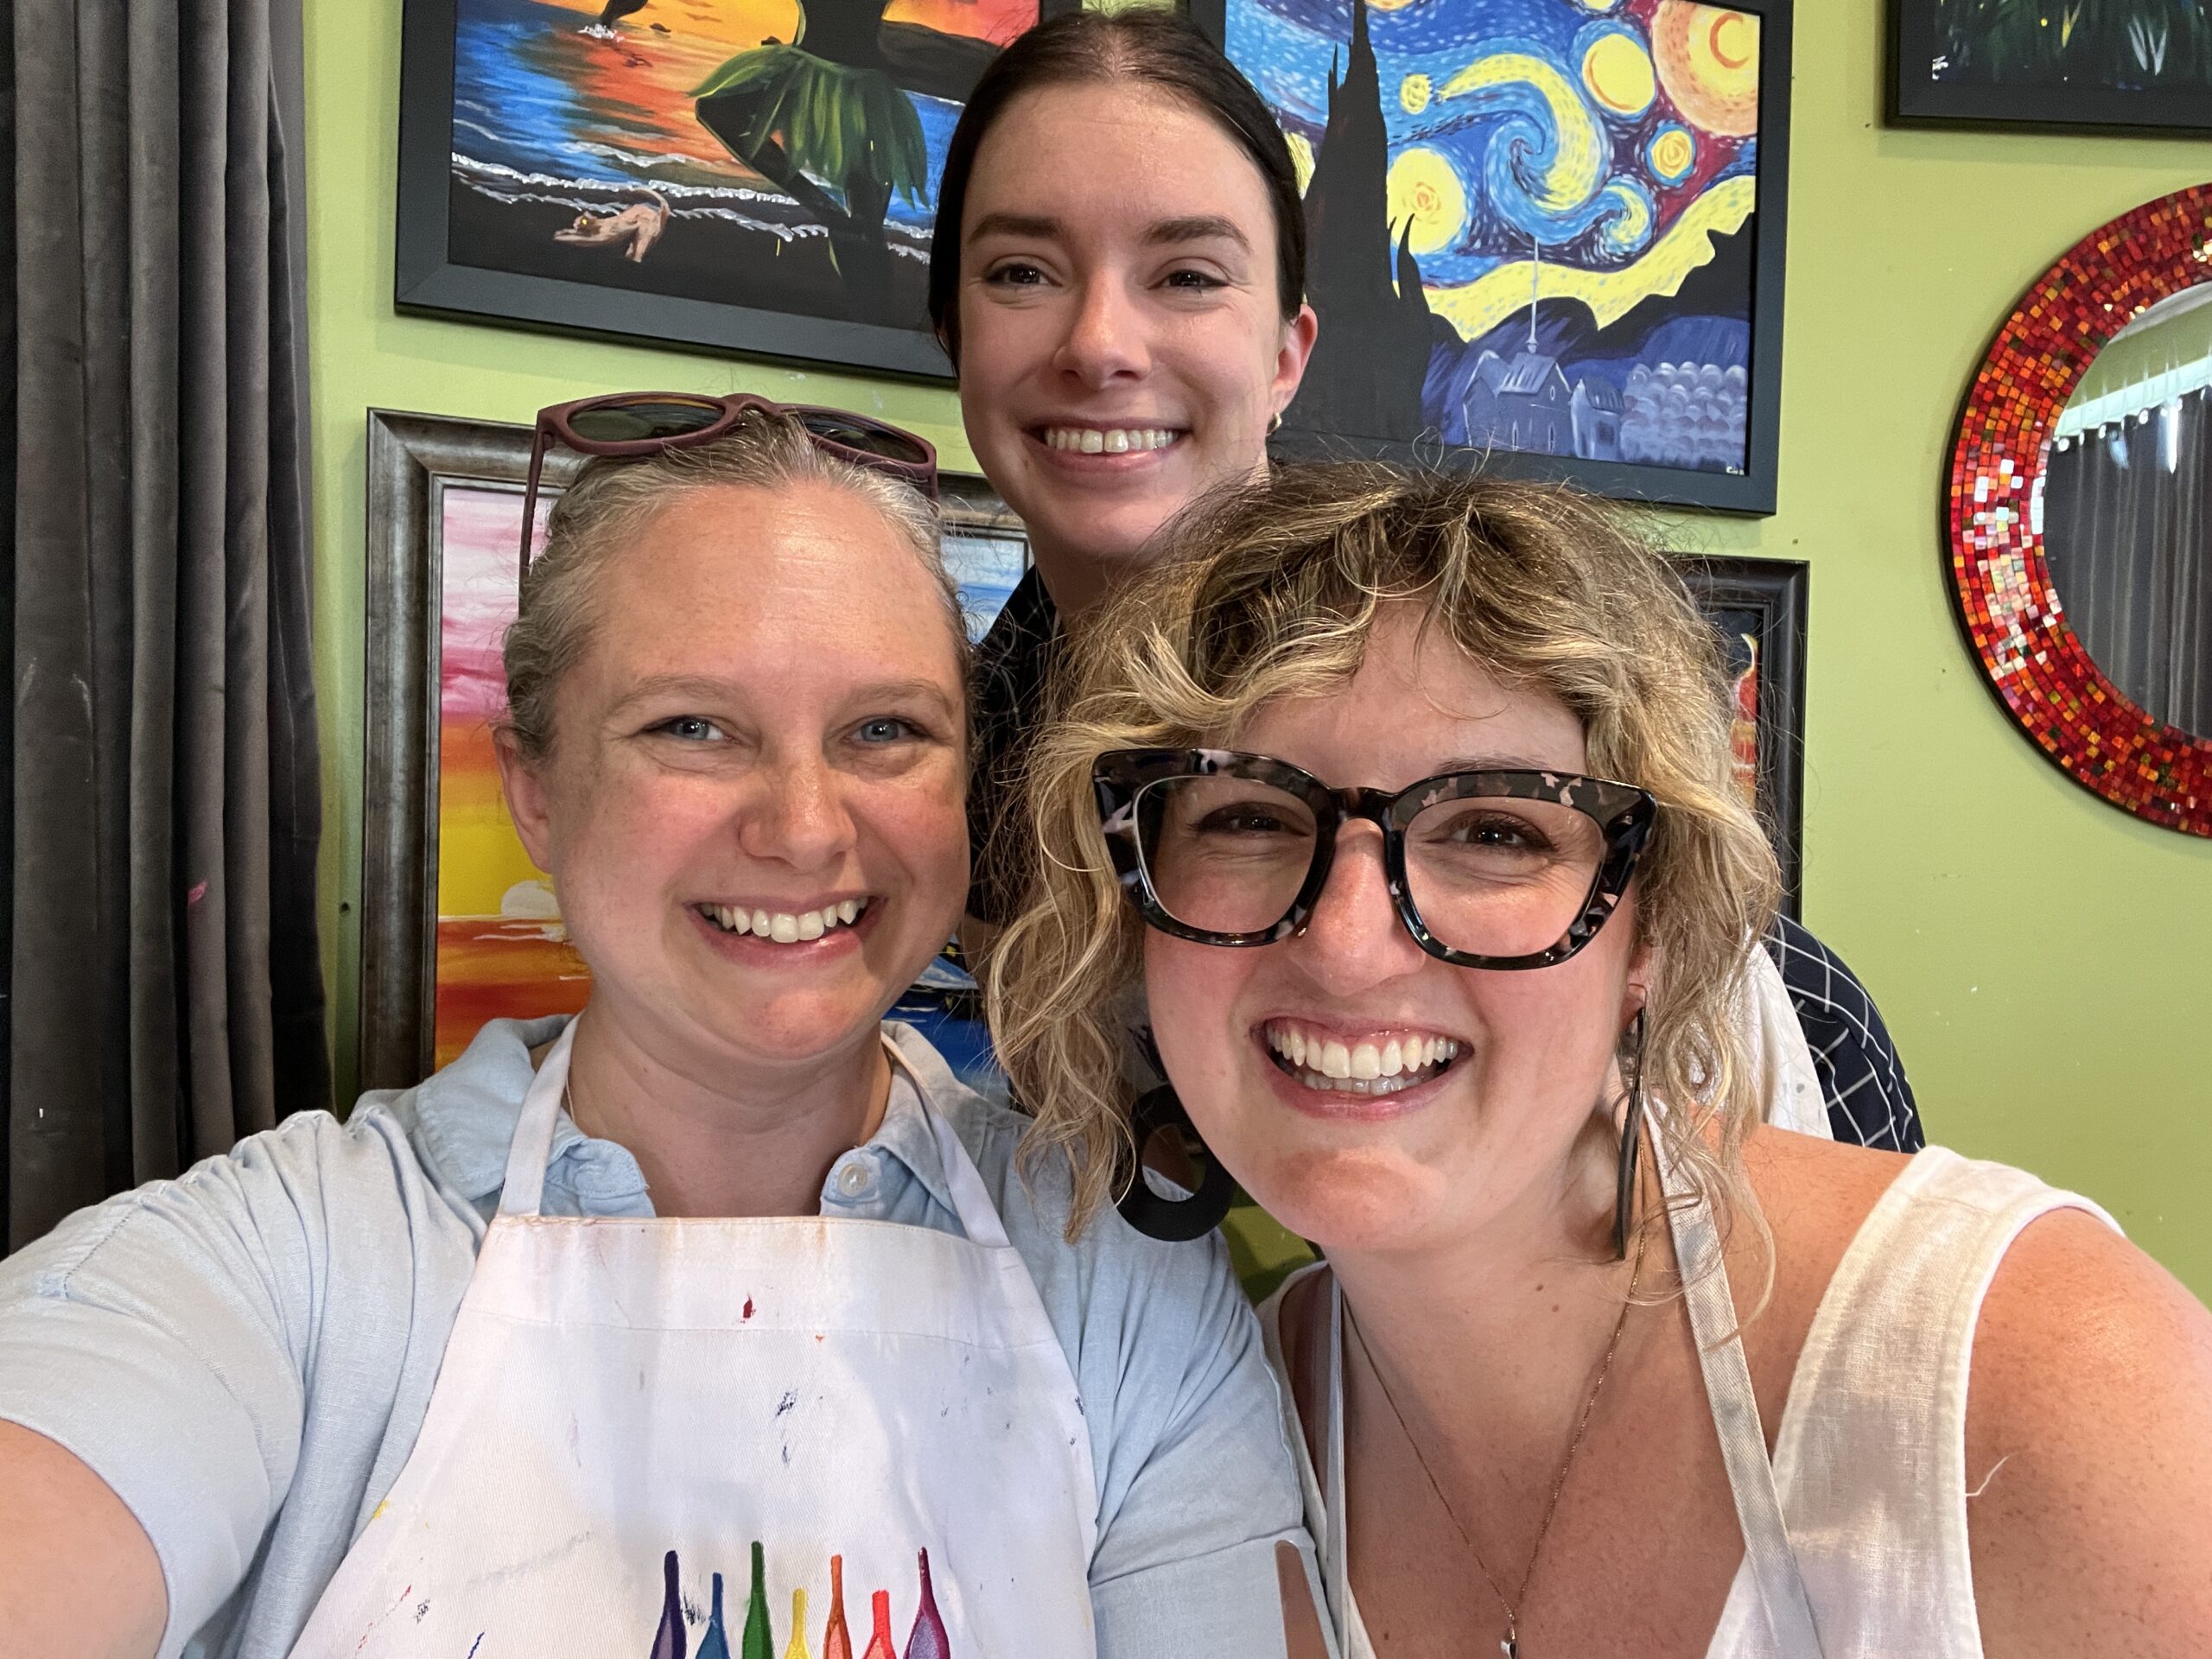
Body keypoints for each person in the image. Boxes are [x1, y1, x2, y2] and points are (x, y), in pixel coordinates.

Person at [0, 403, 1312, 1659]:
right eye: (693, 728)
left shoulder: (1123, 1293)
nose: (804, 827)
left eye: (885, 731)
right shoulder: (283, 1273)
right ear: (537, 790)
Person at [988, 462, 2212, 1656]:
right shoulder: (1227, 1435)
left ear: (1654, 937)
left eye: (1494, 830)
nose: (1349, 947)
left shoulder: (2038, 1385)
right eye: (1249, 816)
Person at [928, 6, 1922, 1151]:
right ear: (955, 330)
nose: (1099, 342)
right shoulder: (914, 807)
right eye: (1021, 270)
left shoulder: (1777, 1012)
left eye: (1189, 275)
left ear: (1288, 353)